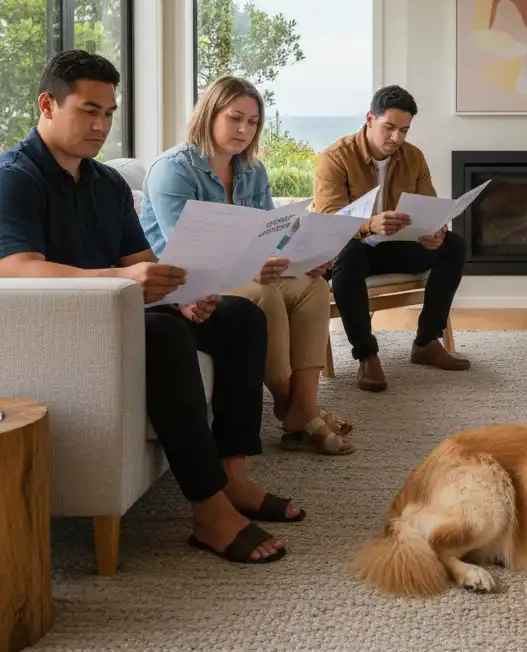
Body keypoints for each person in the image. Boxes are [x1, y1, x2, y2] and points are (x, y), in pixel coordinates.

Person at [0, 51, 301, 563]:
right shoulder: (15, 177)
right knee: (162, 336)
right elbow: (15, 267)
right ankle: (208, 512)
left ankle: (233, 479)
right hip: (63, 328)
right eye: (89, 110)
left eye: (109, 113)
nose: (101, 125)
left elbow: (143, 262)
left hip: (121, 314)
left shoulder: (106, 183)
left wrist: (180, 295)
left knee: (242, 317)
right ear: (47, 105)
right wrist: (125, 281)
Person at [140, 75, 350, 455]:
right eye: (235, 118)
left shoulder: (253, 171)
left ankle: (301, 409)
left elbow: (272, 231)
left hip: (246, 270)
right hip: (189, 281)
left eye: (252, 122)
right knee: (262, 295)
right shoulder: (173, 170)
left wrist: (304, 256)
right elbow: (187, 250)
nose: (244, 130)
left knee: (312, 287)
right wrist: (252, 264)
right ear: (210, 114)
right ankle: (301, 412)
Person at [314, 85, 469, 392]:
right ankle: (367, 355)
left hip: (398, 248)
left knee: (455, 245)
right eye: (389, 128)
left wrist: (435, 233)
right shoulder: (335, 157)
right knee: (349, 254)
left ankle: (426, 341)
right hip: (354, 251)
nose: (396, 138)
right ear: (370, 119)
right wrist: (370, 224)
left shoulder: (413, 157)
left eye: (404, 130)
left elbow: (430, 208)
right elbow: (329, 218)